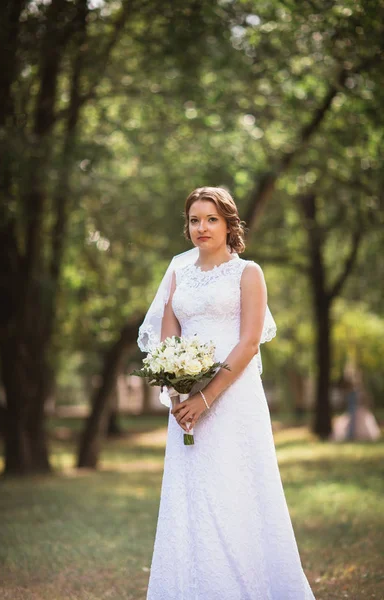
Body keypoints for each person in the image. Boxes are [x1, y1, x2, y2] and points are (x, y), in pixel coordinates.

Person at [137, 186, 316, 599]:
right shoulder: (177, 272)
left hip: (233, 399)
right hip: (186, 404)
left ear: (228, 224)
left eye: (211, 219)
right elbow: (168, 340)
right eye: (194, 220)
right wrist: (177, 393)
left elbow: (249, 341)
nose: (202, 227)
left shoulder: (247, 273)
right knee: (192, 496)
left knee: (236, 492)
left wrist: (206, 397)